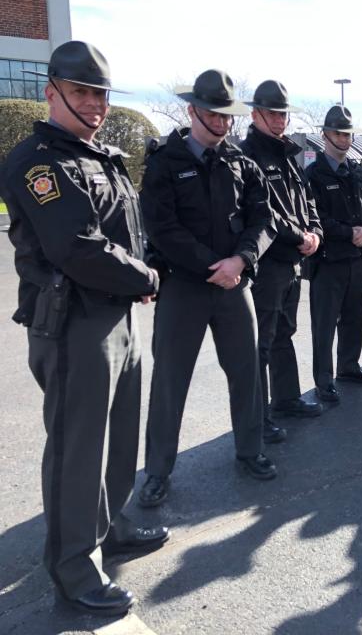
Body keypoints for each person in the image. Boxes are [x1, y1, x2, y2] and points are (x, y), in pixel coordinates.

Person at [0, 41, 168, 616]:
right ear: (52, 92)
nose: (94, 104)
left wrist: (139, 276)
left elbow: (127, 231)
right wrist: (145, 274)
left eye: (100, 93)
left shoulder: (102, 156)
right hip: (73, 324)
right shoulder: (38, 162)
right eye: (81, 92)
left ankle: (110, 524)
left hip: (118, 314)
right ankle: (74, 569)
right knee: (78, 449)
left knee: (121, 437)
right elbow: (77, 247)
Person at [138, 69, 278, 509]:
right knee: (170, 380)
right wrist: (210, 266)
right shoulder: (165, 162)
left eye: (227, 115)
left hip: (234, 284)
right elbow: (162, 228)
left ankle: (249, 450)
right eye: (212, 113)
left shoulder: (241, 162)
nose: (220, 122)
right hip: (185, 286)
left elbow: (264, 220)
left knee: (246, 372)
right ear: (192, 109)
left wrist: (241, 260)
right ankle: (158, 472)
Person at [240, 80, 324, 444]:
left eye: (283, 113)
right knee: (261, 340)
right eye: (272, 113)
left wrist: (316, 232)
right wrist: (300, 237)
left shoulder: (287, 156)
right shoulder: (249, 156)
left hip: (293, 261)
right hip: (269, 261)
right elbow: (266, 212)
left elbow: (308, 203)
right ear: (255, 113)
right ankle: (257, 418)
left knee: (284, 333)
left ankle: (287, 398)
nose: (279, 120)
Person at [305, 106, 362, 403]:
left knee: (353, 317)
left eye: (348, 133)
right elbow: (313, 216)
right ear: (325, 134)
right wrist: (348, 232)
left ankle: (349, 366)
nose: (344, 138)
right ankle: (323, 380)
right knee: (324, 324)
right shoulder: (313, 174)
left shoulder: (359, 171)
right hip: (328, 261)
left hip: (356, 259)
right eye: (338, 132)